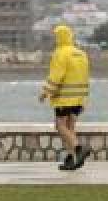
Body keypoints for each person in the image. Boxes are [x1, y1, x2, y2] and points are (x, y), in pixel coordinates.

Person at [38, 24, 91, 170]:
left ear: (59, 37)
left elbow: (56, 76)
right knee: (70, 128)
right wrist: (84, 98)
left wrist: (45, 92)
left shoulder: (60, 53)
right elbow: (85, 76)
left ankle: (79, 149)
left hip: (64, 98)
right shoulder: (81, 54)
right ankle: (70, 159)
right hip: (79, 98)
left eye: (55, 36)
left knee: (60, 126)